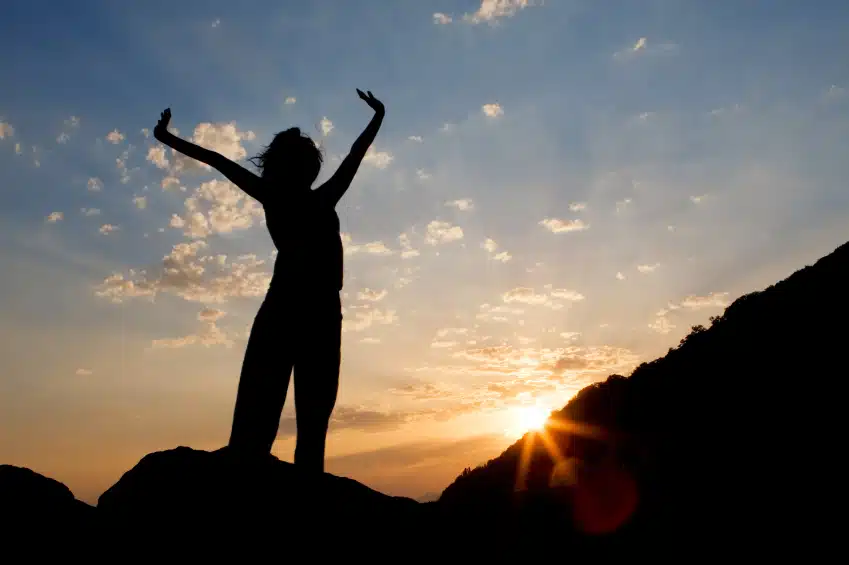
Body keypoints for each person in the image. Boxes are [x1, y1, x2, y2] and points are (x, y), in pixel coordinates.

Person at [153, 89, 385, 472]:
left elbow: (216, 160)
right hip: (306, 309)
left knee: (290, 415)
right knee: (281, 415)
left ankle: (264, 477)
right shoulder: (308, 198)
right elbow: (217, 160)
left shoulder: (284, 195)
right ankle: (264, 479)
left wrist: (166, 138)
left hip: (305, 309)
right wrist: (377, 115)